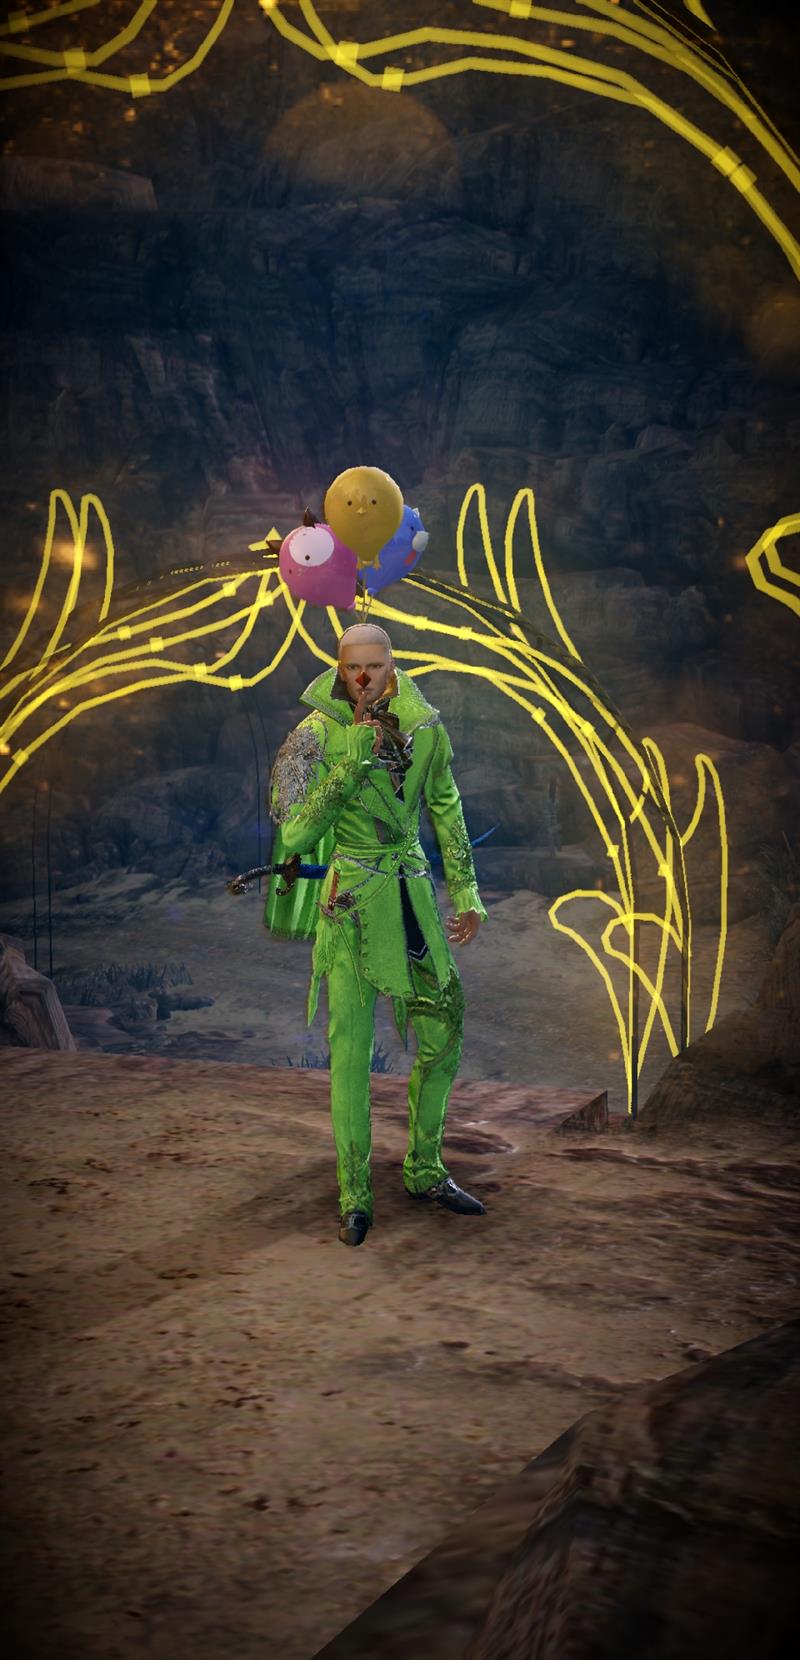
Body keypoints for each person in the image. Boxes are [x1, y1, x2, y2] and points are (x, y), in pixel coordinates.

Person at [265, 622, 488, 1246]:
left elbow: (446, 807)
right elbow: (294, 834)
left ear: (392, 665)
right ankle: (355, 1195)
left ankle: (425, 1168)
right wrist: (350, 766)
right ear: (339, 669)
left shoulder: (425, 726)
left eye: (375, 665)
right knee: (351, 1054)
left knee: (445, 1029)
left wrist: (467, 894)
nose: (363, 676)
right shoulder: (316, 734)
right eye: (352, 666)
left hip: (411, 895)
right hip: (353, 906)